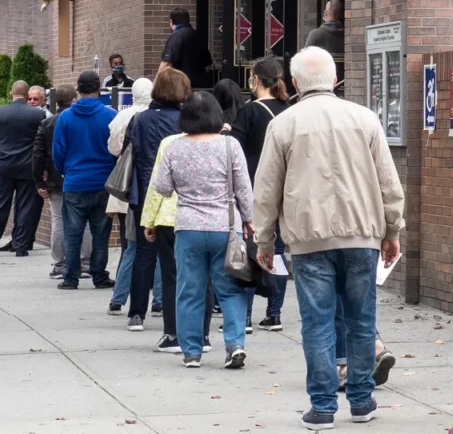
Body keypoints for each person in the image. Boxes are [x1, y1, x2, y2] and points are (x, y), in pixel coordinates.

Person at [253, 46, 405, 430]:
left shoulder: (283, 125)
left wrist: (265, 241)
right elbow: (389, 183)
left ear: (295, 83)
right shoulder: (365, 118)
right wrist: (392, 230)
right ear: (335, 79)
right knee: (361, 321)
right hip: (361, 236)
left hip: (308, 239)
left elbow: (266, 189)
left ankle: (322, 407)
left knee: (317, 323)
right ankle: (361, 400)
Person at [147, 91, 253, 369]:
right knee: (230, 289)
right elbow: (243, 188)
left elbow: (162, 188)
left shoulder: (173, 147)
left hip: (188, 227)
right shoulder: (230, 145)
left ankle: (192, 351)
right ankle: (234, 345)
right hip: (225, 227)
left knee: (189, 290)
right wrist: (250, 219)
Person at [125, 68, 187, 344]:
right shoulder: (186, 120)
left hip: (145, 191)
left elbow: (128, 151)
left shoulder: (140, 119)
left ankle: (136, 313)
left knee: (143, 252)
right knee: (179, 261)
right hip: (179, 196)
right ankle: (174, 314)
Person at [228, 57, 290, 331]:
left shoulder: (249, 111)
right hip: (285, 187)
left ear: (256, 80)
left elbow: (236, 150)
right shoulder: (289, 110)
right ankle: (274, 314)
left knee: (252, 250)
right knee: (278, 251)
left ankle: (245, 316)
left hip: (255, 186)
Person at [51, 71, 117, 290]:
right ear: (99, 89)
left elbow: (58, 152)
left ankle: (71, 277)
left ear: (78, 90)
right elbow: (116, 149)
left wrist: (66, 171)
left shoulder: (65, 117)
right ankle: (99, 275)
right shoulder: (110, 115)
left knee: (72, 234)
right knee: (101, 234)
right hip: (102, 182)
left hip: (74, 182)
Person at [107, 78, 164, 315]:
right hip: (159, 190)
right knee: (160, 250)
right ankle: (159, 300)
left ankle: (118, 298)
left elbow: (114, 148)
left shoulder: (124, 117)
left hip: (132, 188)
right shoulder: (164, 117)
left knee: (132, 245)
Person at [0, 81, 47, 258]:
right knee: (25, 206)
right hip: (28, 167)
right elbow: (42, 143)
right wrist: (40, 167)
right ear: (27, 95)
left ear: (11, 94)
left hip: (2, 166)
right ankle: (20, 245)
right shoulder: (38, 114)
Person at [34, 85, 90, 278]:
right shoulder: (82, 121)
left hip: (56, 179)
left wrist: (40, 182)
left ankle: (60, 265)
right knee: (85, 222)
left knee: (58, 222)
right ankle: (85, 264)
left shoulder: (47, 123)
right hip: (81, 178)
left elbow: (38, 155)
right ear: (74, 99)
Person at [159, 7, 214, 88]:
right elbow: (208, 62)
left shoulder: (176, 36)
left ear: (171, 22)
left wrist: (156, 84)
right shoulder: (198, 36)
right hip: (201, 85)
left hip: (182, 85)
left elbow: (166, 63)